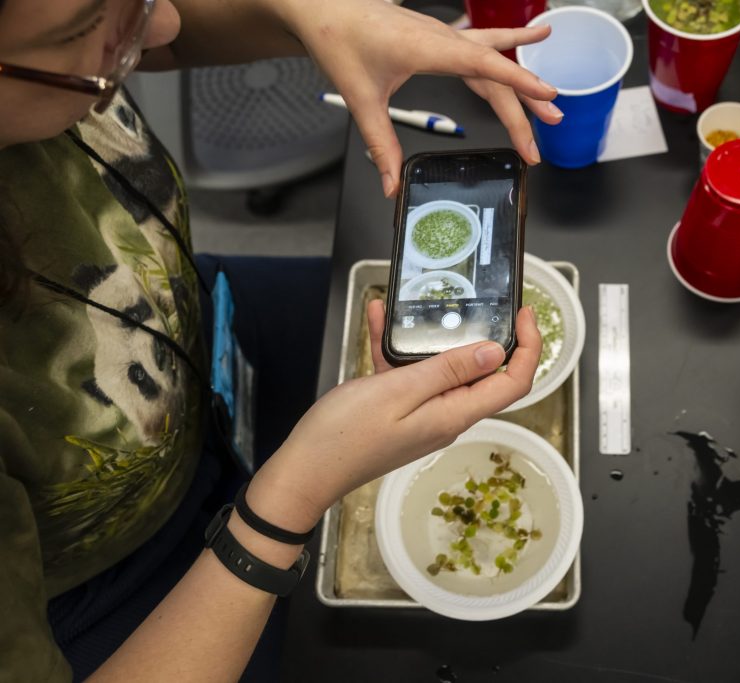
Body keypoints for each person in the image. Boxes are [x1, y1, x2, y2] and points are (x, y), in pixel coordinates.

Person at [0, 0, 561, 680]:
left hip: (200, 333)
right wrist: (290, 497)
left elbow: (170, 34)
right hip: (124, 587)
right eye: (90, 34)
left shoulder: (72, 36)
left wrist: (310, 16)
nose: (165, 24)